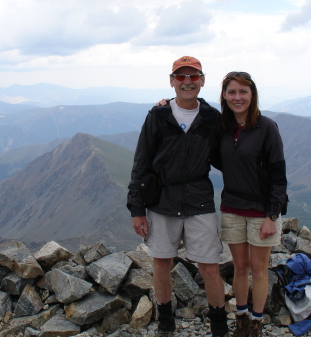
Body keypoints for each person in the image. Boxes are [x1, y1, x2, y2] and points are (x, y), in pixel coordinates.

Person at [127, 56, 229, 337]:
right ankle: (165, 322)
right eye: (181, 77)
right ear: (172, 81)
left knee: (209, 266)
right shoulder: (157, 116)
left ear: (202, 81)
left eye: (193, 77)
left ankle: (219, 326)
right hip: (162, 200)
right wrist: (137, 209)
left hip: (199, 200)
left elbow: (227, 155)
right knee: (161, 263)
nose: (187, 82)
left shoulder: (212, 118)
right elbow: (141, 163)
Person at [218, 71, 287, 337]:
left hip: (260, 212)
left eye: (243, 92)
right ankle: (241, 320)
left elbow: (279, 174)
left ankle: (256, 324)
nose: (238, 97)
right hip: (232, 208)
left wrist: (272, 214)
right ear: (224, 96)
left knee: (259, 269)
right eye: (232, 92)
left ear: (252, 95)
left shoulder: (267, 127)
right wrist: (167, 104)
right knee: (240, 267)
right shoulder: (222, 127)